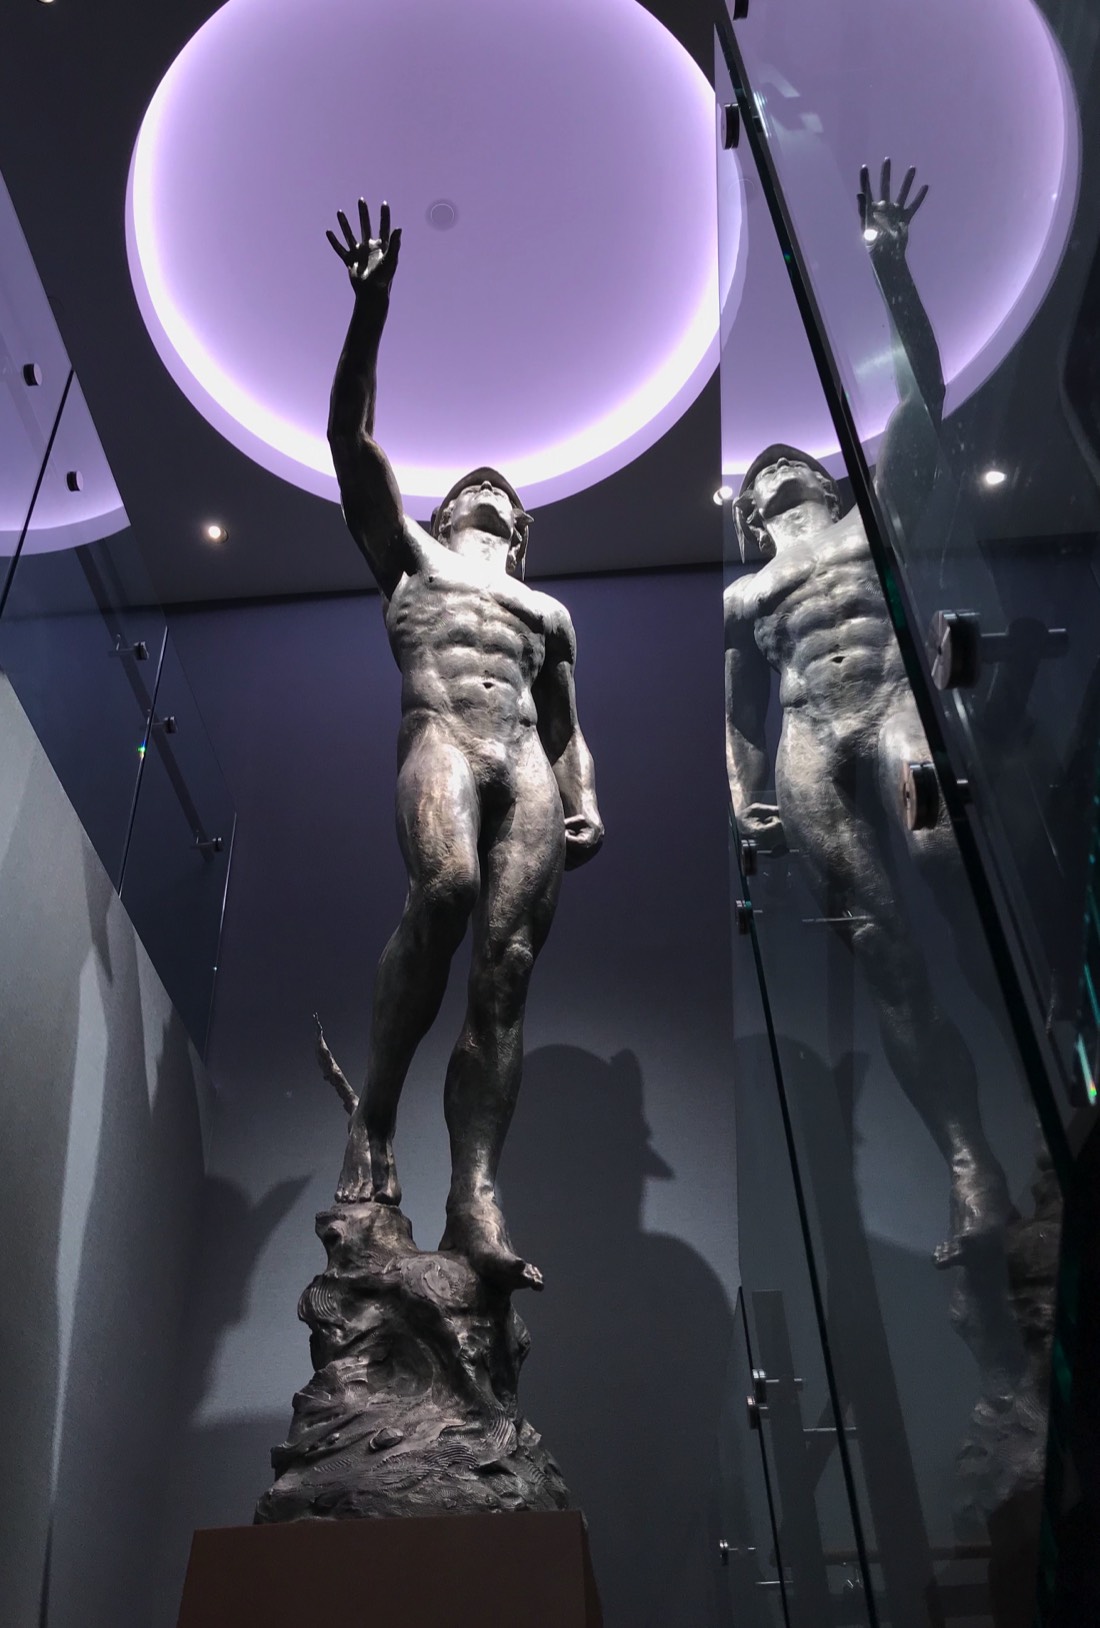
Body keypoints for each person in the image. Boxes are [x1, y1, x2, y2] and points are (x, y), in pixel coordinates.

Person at [724, 163, 1011, 1265]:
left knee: (945, 870)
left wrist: (889, 265)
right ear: (749, 518)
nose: (774, 473)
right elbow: (732, 713)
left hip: (893, 703)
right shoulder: (743, 593)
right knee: (881, 952)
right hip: (806, 738)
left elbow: (920, 398)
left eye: (789, 460)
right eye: (761, 475)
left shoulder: (868, 517)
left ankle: (1039, 1051)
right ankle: (961, 1157)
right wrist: (739, 796)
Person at [325, 200, 604, 1290]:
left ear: (521, 528)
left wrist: (586, 794)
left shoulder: (547, 612)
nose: (487, 487)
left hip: (525, 761)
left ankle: (473, 1193)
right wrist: (369, 309)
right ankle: (376, 1111)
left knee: (507, 970)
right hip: (441, 730)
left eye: (505, 492)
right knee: (441, 890)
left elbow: (572, 730)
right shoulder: (409, 562)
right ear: (445, 510)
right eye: (470, 484)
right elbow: (349, 443)